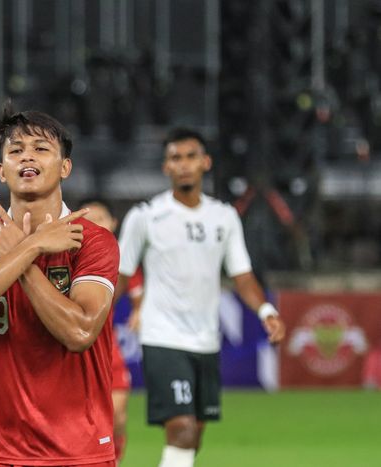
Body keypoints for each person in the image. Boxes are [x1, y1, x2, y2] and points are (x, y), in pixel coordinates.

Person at [0, 107, 120, 466]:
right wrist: (32, 247)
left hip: (78, 449)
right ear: (1, 170)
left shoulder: (93, 241)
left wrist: (21, 255)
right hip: (0, 451)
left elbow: (79, 331)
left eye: (41, 148)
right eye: (15, 150)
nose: (26, 155)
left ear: (65, 168)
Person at [115, 127, 286, 467]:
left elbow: (243, 277)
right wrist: (90, 315)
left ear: (205, 162)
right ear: (166, 167)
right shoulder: (145, 216)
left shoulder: (224, 217)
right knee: (182, 429)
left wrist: (265, 309)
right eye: (175, 158)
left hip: (206, 341)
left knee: (193, 437)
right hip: (162, 336)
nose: (183, 165)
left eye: (191, 156)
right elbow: (119, 274)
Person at [79, 198, 144, 464]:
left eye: (101, 218)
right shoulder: (64, 256)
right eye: (88, 219)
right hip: (71, 350)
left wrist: (140, 311)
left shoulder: (122, 260)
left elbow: (138, 294)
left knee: (117, 417)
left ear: (113, 223)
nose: (95, 224)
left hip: (107, 348)